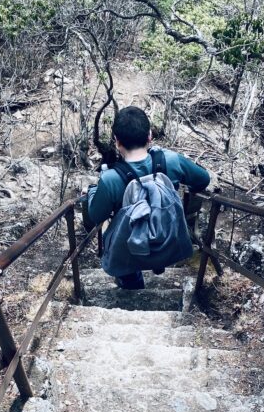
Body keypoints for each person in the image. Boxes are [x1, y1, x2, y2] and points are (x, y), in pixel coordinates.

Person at [87, 106, 210, 289]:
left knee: (118, 240)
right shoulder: (171, 160)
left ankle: (132, 285)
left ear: (117, 142)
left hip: (129, 251)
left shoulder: (110, 179)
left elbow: (95, 216)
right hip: (167, 242)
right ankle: (158, 262)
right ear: (149, 136)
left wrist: (92, 191)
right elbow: (203, 179)